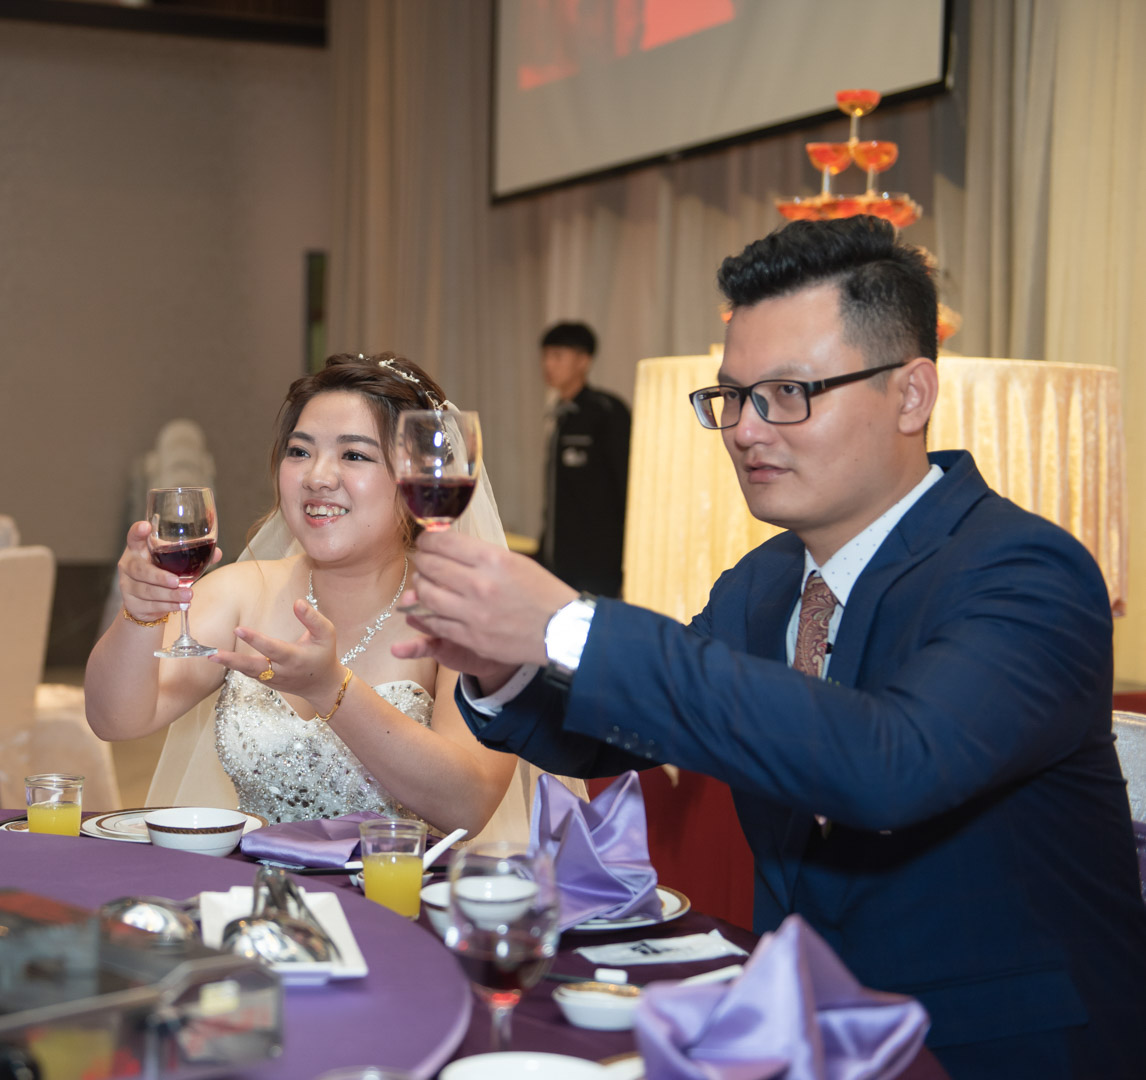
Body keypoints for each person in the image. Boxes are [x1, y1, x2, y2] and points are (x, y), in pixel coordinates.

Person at [395, 219, 1146, 1078]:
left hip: (996, 1050)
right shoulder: (764, 581)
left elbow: (890, 765)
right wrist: (499, 665)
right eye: (733, 397)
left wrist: (570, 624)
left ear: (912, 395)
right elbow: (612, 733)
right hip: (796, 1034)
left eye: (788, 393)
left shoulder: (1027, 572)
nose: (746, 431)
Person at [85, 354, 569, 841]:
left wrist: (333, 690)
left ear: (420, 478)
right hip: (254, 884)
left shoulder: (462, 612)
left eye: (354, 455)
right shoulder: (241, 591)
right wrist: (139, 615)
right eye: (300, 451)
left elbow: (470, 803)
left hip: (393, 884)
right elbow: (115, 719)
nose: (317, 476)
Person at [537, 322, 631, 598]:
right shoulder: (561, 415)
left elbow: (626, 485)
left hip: (597, 565)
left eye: (557, 356)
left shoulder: (607, 412)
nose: (548, 364)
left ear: (583, 361)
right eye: (545, 356)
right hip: (558, 560)